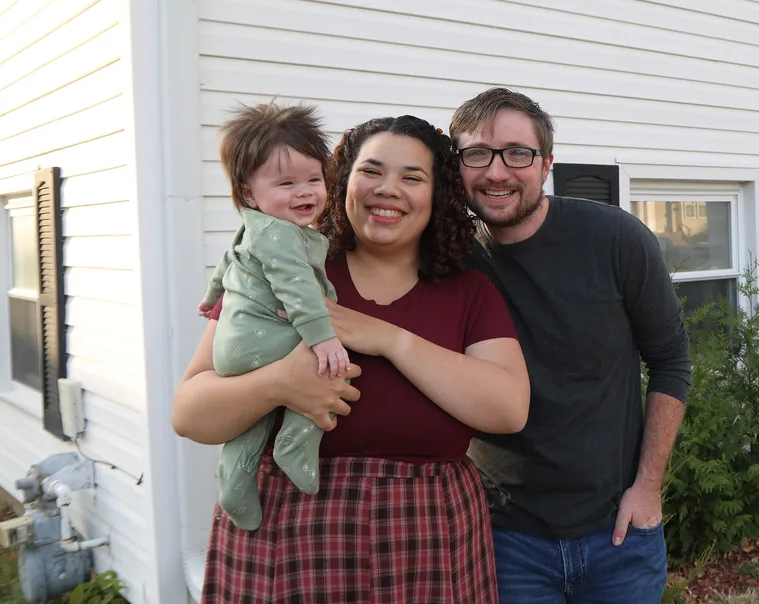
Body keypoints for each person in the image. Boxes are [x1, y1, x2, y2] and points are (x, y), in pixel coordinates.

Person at [171, 114, 529, 603]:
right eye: (372, 171)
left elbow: (509, 410)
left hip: (429, 537)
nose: (388, 190)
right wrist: (278, 383)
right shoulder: (281, 269)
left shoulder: (469, 292)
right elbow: (189, 414)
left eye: (412, 177)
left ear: (437, 195)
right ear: (343, 180)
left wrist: (389, 338)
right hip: (286, 529)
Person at [455, 87, 693, 603]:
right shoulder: (449, 261)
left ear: (546, 165)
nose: (497, 172)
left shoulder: (616, 240)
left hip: (619, 536)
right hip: (504, 538)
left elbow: (672, 361)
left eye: (518, 153)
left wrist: (649, 488)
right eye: (477, 153)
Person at [197, 102, 352, 531]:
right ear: (248, 192)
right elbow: (297, 287)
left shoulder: (254, 225)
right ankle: (296, 443)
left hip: (237, 347)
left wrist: (212, 299)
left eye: (313, 179)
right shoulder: (282, 235)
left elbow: (226, 262)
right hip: (268, 341)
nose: (305, 192)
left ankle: (234, 483)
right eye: (286, 183)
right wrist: (323, 338)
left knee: (249, 419)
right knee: (332, 369)